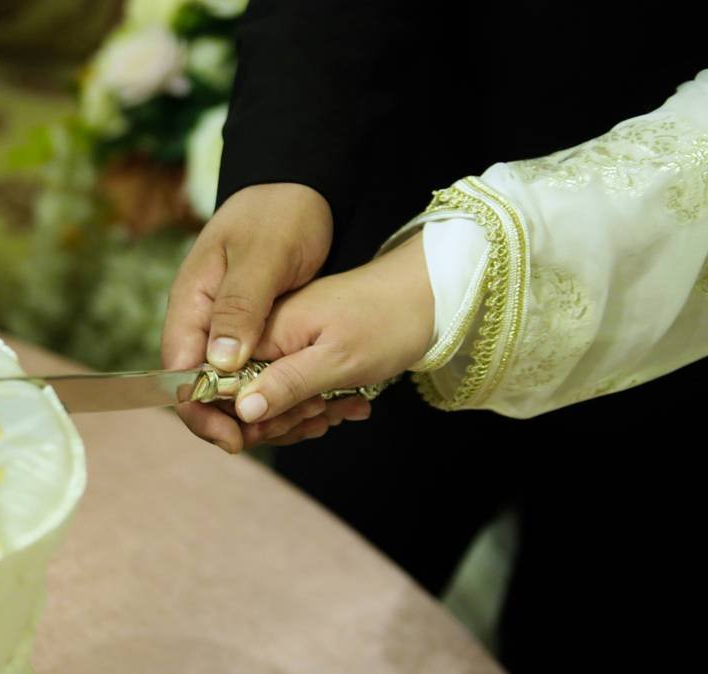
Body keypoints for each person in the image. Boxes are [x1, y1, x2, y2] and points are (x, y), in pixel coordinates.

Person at [162, 1, 706, 670]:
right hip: (377, 234)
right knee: (307, 610)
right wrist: (282, 171)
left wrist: (443, 280)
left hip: (680, 338)